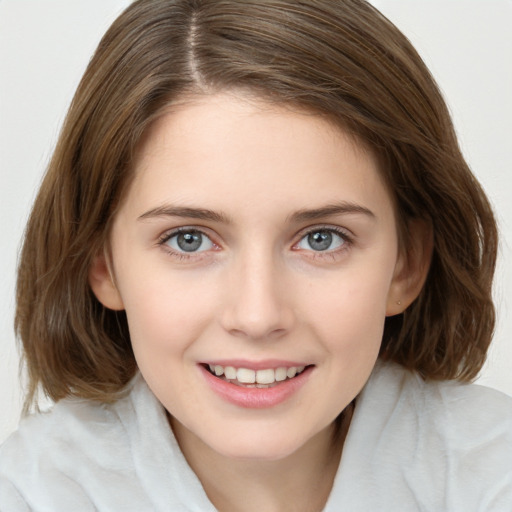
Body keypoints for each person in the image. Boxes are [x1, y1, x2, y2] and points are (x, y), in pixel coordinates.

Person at [1, 0, 511, 510]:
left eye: (322, 239)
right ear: (103, 263)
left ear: (406, 265)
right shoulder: (29, 492)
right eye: (189, 240)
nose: (257, 315)